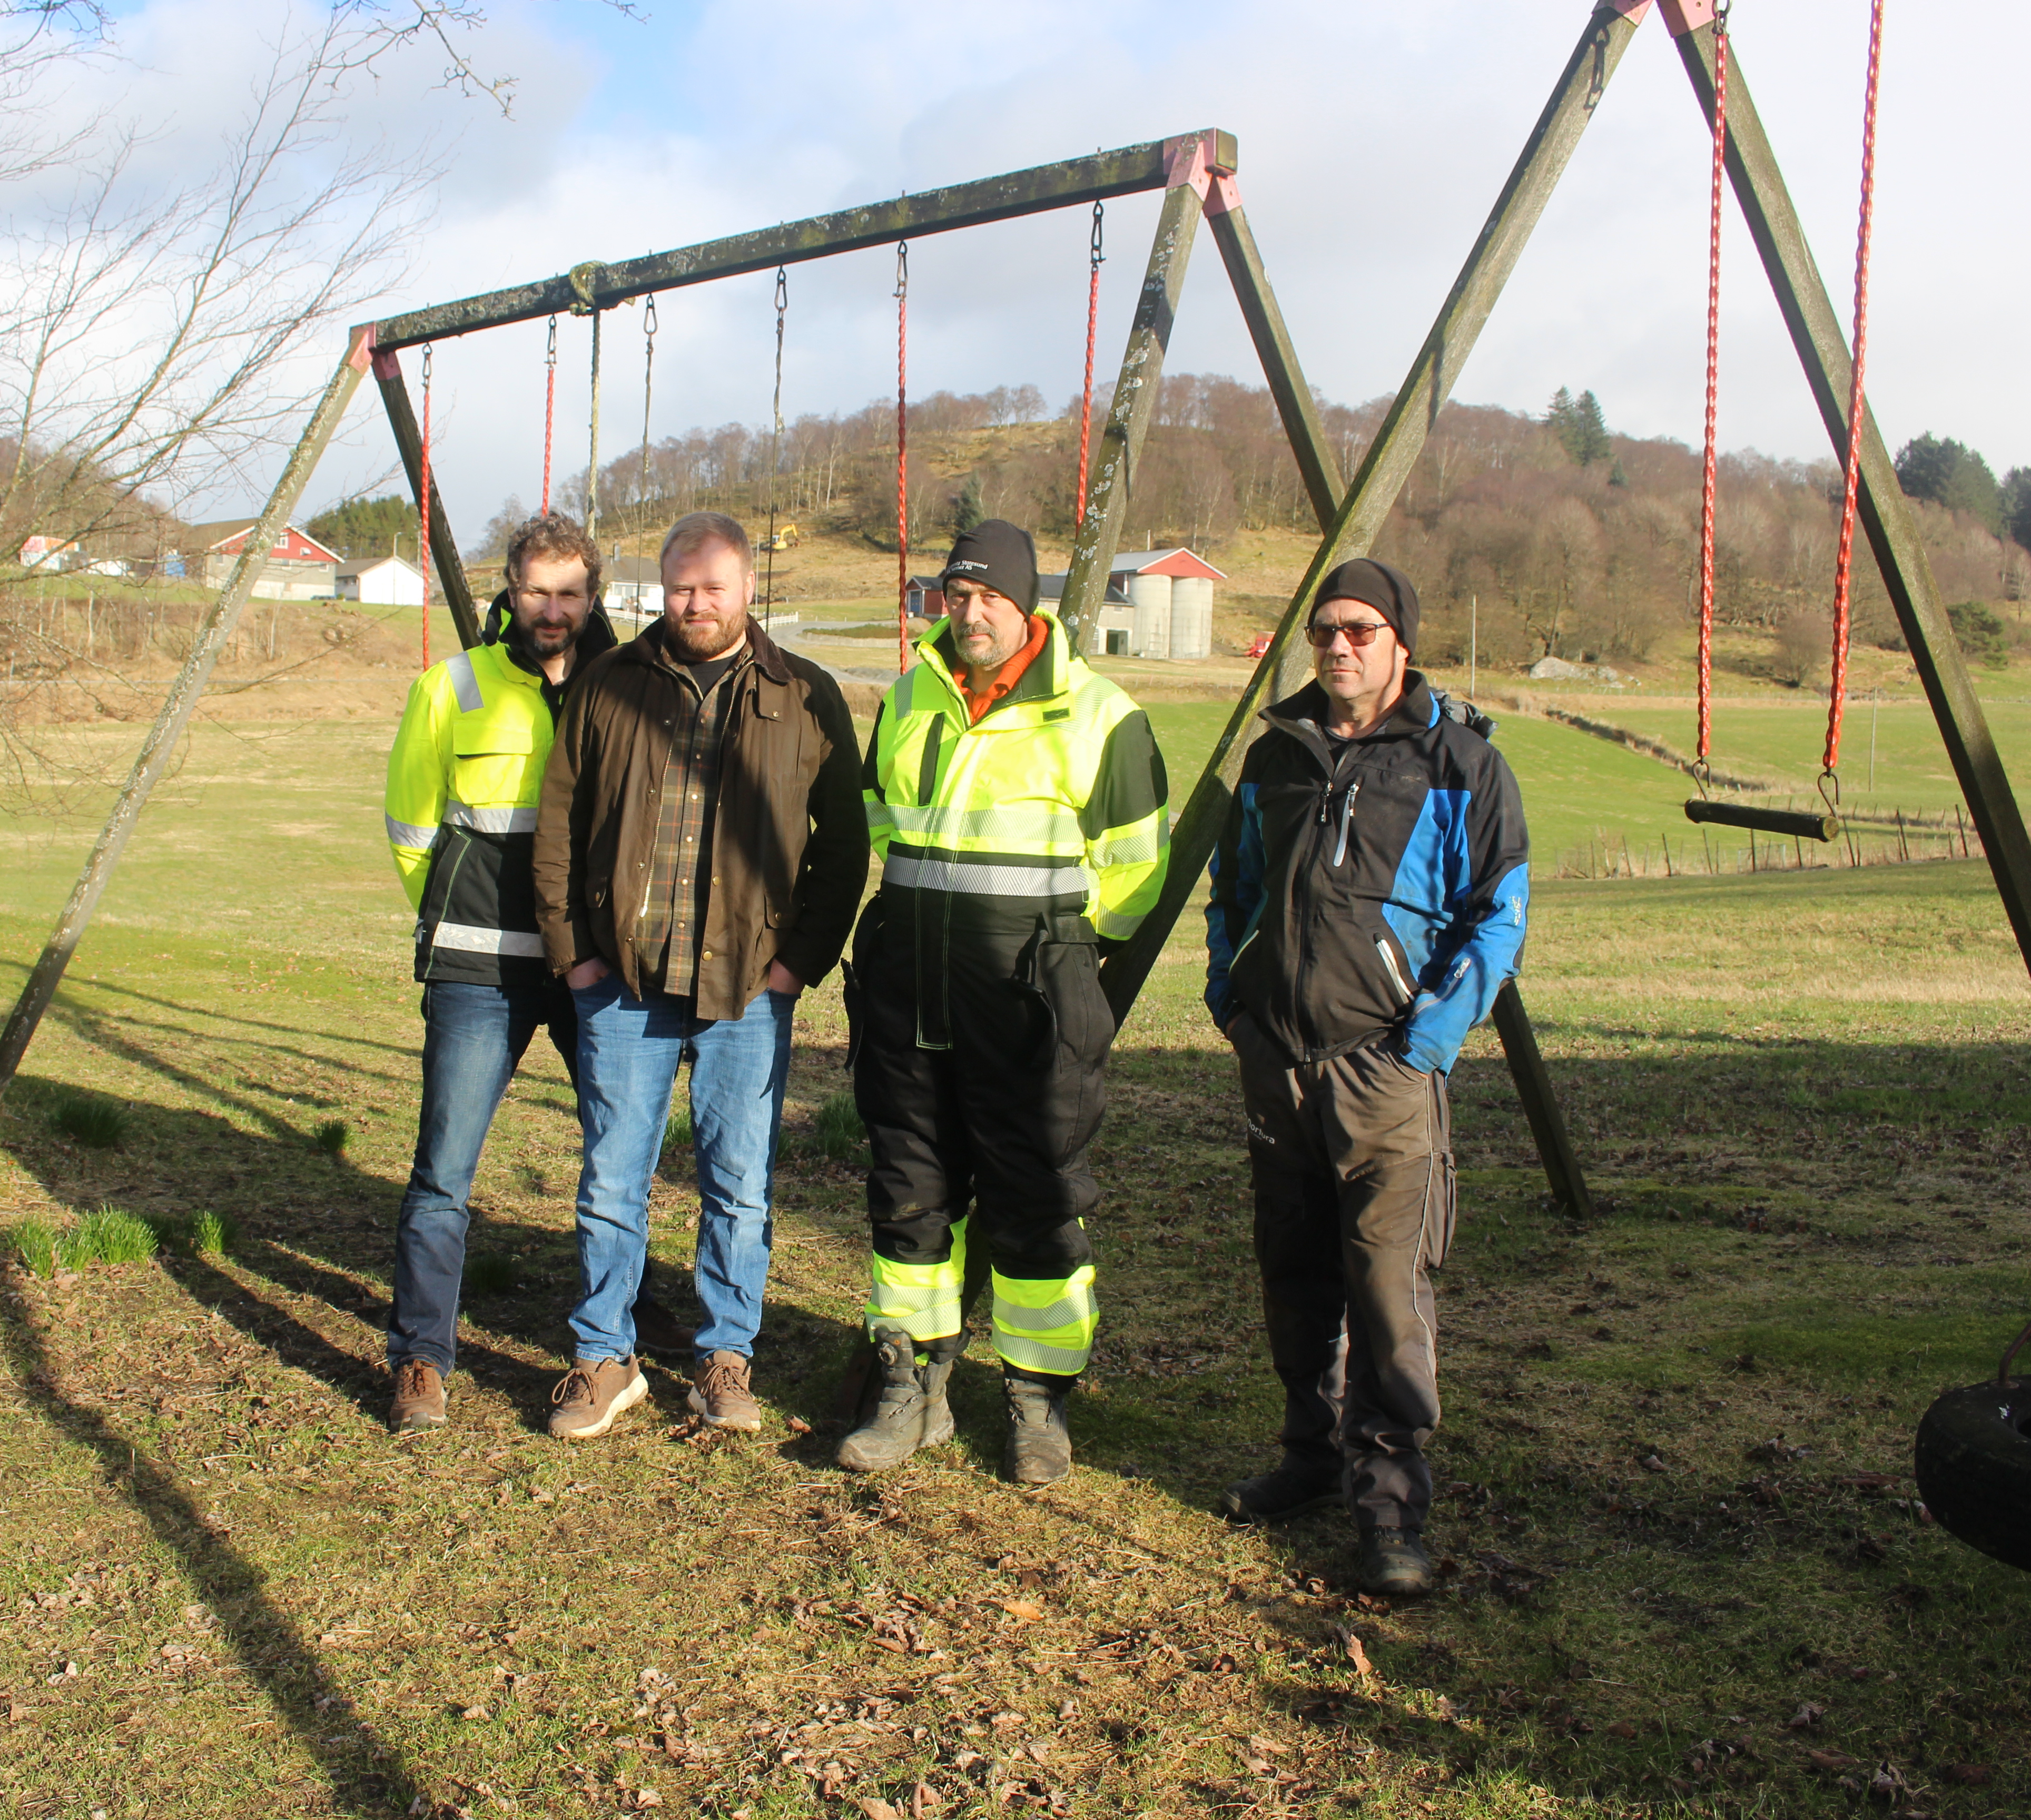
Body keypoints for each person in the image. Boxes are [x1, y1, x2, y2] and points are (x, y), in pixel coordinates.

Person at [1202, 557, 1528, 1595]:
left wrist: (1423, 1045)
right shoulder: (1275, 755)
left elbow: (1499, 916)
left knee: (1387, 1293)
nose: (1338, 646)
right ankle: (1309, 1458)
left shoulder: (1461, 766)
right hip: (1277, 1068)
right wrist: (1234, 1005)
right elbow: (1233, 890)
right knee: (1293, 1280)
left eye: (1360, 630)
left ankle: (1389, 1509)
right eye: (1324, 632)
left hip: (1384, 1076)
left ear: (1401, 642)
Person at [835, 520, 1169, 1486]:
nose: (971, 612)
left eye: (990, 596)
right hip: (910, 999)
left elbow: (1134, 876)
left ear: (1028, 606)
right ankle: (915, 1386)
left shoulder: (1101, 717)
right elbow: (880, 826)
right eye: (957, 595)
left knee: (1037, 1199)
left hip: (1030, 1009)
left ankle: (1037, 1400)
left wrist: (1053, 963)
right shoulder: (909, 698)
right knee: (909, 1195)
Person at [531, 511, 867, 1439]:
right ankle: (604, 1356)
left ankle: (726, 1357)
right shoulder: (610, 684)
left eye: (713, 587)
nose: (695, 604)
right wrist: (578, 956)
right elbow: (558, 827)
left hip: (747, 992)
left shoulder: (806, 694)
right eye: (681, 587)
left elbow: (843, 847)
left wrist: (798, 964)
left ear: (748, 589)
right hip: (624, 985)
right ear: (663, 588)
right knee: (611, 1177)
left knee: (740, 1183)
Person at [379, 512, 692, 1432]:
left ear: (593, 596)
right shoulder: (453, 687)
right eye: (534, 592)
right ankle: (419, 1359)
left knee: (620, 1158)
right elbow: (411, 832)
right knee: (444, 1170)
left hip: (595, 967)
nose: (551, 610)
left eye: (569, 593)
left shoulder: (631, 685)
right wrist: (459, 917)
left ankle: (622, 1323)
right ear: (506, 593)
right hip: (481, 970)